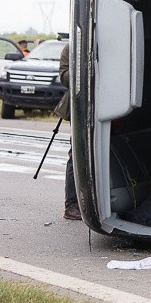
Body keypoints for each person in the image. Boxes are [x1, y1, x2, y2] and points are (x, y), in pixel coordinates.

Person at [54, 43, 81, 220]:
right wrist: (82, 67)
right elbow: (64, 77)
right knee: (76, 155)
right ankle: (71, 204)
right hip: (79, 105)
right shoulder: (71, 48)